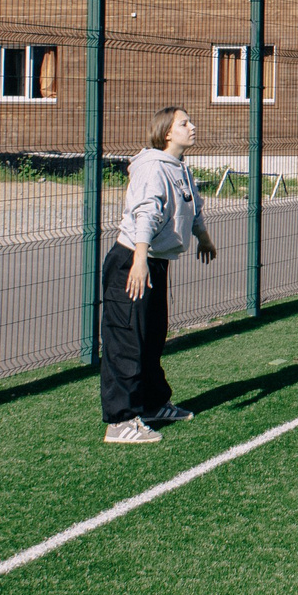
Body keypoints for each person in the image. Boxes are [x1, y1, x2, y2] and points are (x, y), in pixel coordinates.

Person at [102, 105, 217, 444]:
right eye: (184, 123)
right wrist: (138, 261)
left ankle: (152, 404)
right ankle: (120, 422)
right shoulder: (153, 168)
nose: (192, 127)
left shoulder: (180, 167)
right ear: (168, 132)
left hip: (154, 262)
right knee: (126, 340)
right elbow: (147, 213)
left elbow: (191, 205)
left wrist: (204, 238)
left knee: (151, 338)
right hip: (132, 261)